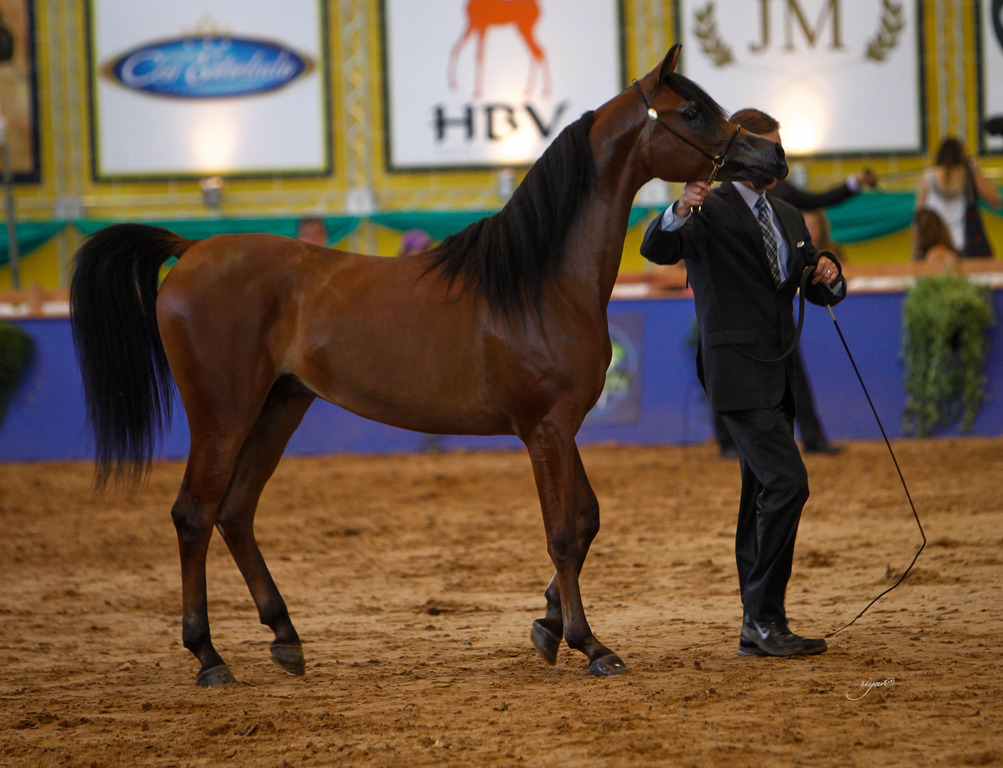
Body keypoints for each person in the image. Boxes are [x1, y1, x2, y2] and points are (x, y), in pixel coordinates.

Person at [640, 108, 846, 658]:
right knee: (787, 483)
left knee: (761, 493)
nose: (774, 159)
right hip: (735, 374)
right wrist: (680, 206)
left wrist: (827, 275)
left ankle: (758, 624)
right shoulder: (708, 209)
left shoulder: (787, 214)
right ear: (739, 151)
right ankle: (762, 618)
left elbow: (811, 287)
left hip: (778, 376)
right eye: (764, 148)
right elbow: (656, 247)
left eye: (778, 148)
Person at [914, 137, 1001, 257]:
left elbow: (919, 216)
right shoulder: (969, 174)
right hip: (966, 245)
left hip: (935, 247)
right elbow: (996, 201)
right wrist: (976, 171)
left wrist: (916, 252)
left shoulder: (927, 177)